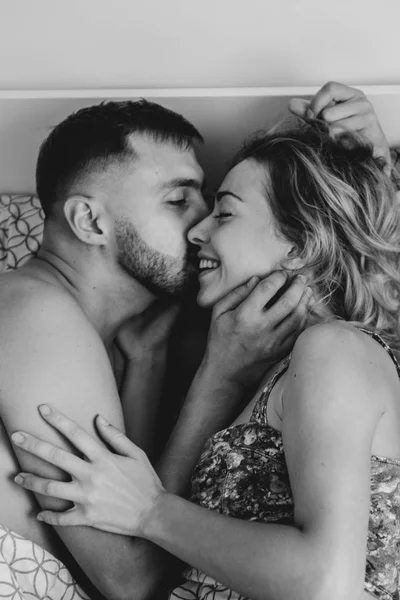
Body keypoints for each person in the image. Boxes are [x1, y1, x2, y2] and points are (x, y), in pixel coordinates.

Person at [0, 82, 392, 600]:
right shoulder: (36, 312)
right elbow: (131, 576)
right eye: (179, 200)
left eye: (215, 206)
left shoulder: (148, 337)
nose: (197, 226)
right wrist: (217, 375)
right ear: (90, 220)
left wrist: (374, 164)